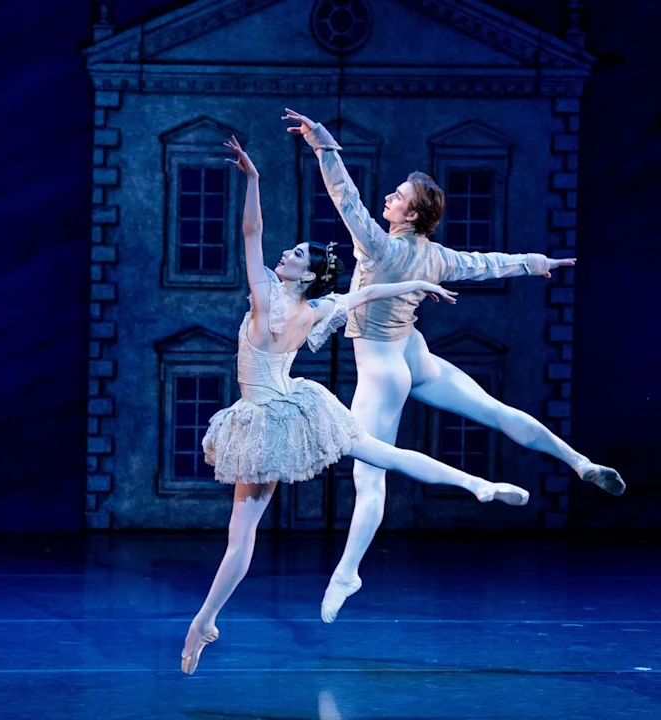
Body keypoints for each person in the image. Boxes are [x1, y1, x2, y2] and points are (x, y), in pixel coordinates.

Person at [181, 136, 530, 675]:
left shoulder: (265, 297)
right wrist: (419, 282)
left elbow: (252, 232)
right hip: (297, 412)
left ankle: (205, 619)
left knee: (243, 536)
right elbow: (365, 296)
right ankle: (476, 484)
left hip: (264, 423)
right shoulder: (320, 306)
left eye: (295, 254)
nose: (286, 254)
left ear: (304, 273)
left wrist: (252, 180)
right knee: (379, 455)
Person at [282, 108, 625, 624]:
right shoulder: (438, 257)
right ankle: (578, 462)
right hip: (414, 355)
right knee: (495, 409)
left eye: (398, 197)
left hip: (384, 369)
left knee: (370, 477)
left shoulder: (376, 246)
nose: (389, 200)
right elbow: (489, 263)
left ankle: (348, 572)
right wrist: (536, 263)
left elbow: (345, 197)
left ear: (412, 216)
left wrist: (322, 144)